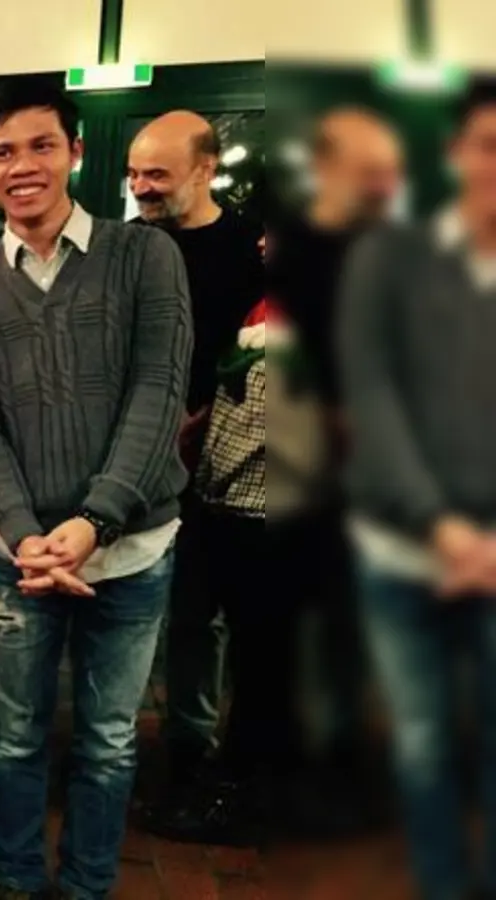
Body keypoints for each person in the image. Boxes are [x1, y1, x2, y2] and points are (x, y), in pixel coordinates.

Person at [0, 79, 191, 900]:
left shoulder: (144, 255)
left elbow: (159, 393)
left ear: (77, 153)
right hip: (23, 556)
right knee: (12, 739)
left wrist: (93, 521)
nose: (24, 166)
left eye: (42, 145)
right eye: (3, 152)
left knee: (110, 743)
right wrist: (23, 533)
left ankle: (86, 887)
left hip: (132, 548)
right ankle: (16, 885)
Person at [338, 81, 496, 900]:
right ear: (457, 154)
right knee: (427, 743)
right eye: (489, 146)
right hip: (405, 553)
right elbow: (375, 399)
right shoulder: (392, 262)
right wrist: (446, 532)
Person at [266, 106, 404, 836]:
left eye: (388, 171)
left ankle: (348, 769)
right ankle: (289, 775)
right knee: (281, 631)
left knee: (357, 631)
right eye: (368, 169)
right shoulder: (284, 254)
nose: (383, 184)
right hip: (290, 475)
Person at [126, 110, 264, 796]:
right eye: (134, 173)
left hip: (212, 463)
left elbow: (257, 357)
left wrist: (201, 419)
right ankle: (113, 740)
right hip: (133, 458)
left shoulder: (247, 250)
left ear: (206, 168)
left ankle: (188, 745)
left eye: (157, 174)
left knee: (197, 613)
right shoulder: (126, 245)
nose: (141, 187)